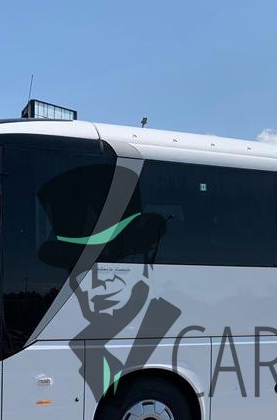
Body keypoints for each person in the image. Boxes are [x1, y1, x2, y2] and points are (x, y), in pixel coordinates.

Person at [37, 162, 181, 399]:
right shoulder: (85, 342)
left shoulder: (166, 323)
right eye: (80, 270)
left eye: (112, 262)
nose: (98, 283)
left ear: (145, 264)